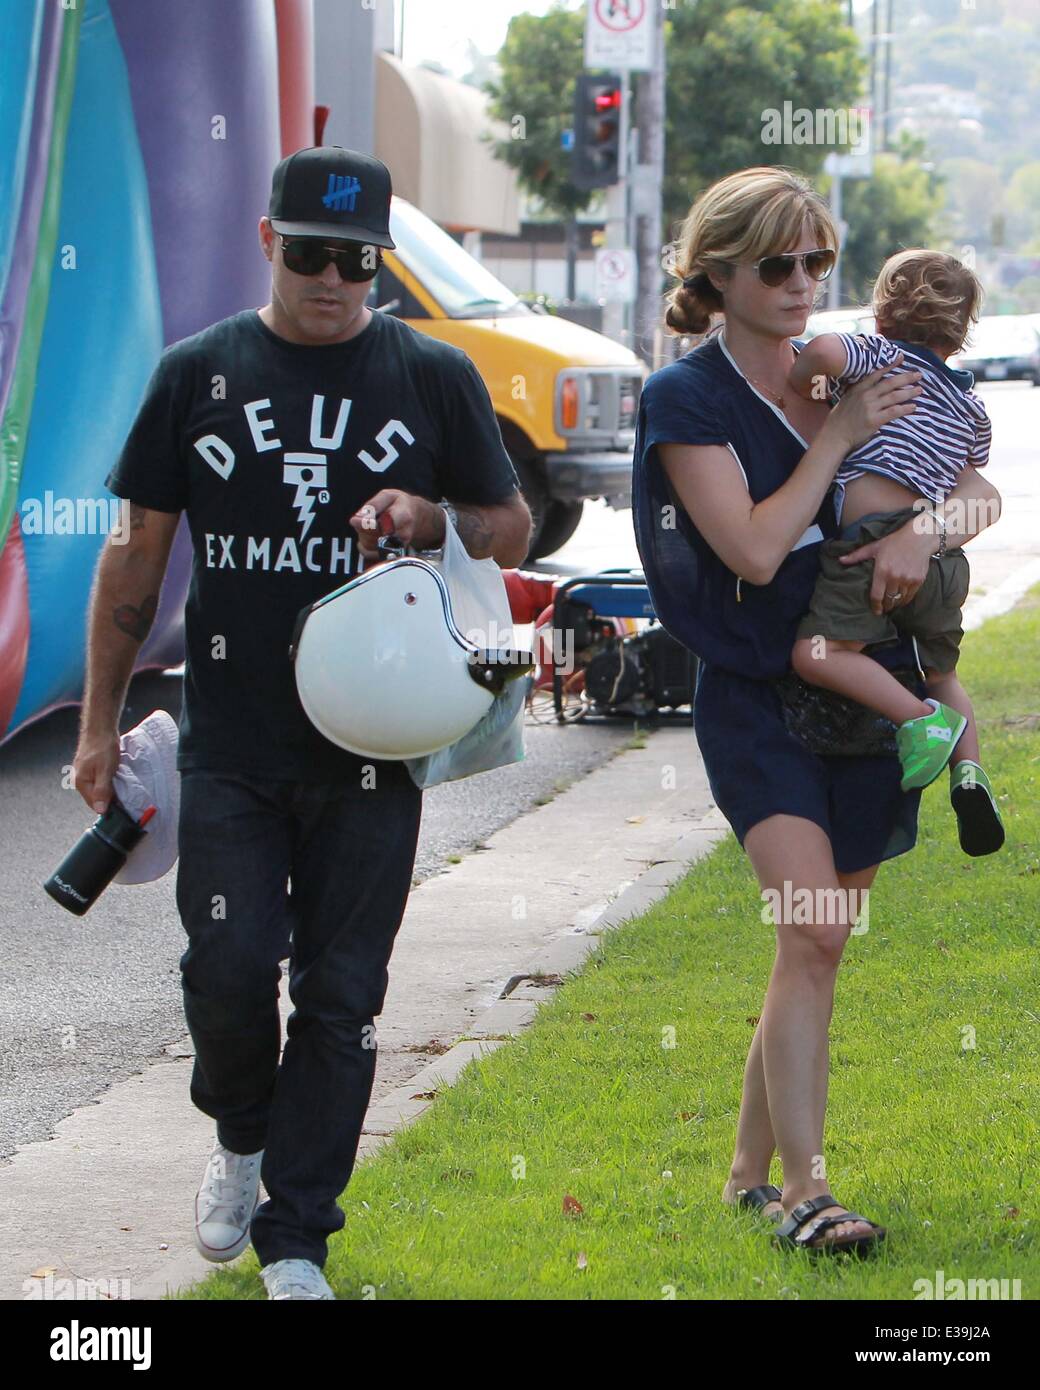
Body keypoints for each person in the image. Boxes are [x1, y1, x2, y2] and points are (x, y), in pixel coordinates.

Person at [73, 146, 531, 1299]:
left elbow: (510, 525)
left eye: (358, 261)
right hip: (227, 737)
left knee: (342, 995)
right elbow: (135, 554)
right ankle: (239, 1134)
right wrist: (96, 723)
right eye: (313, 254)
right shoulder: (199, 373)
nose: (334, 279)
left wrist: (431, 515)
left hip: (375, 746)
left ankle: (297, 1240)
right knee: (227, 966)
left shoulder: (430, 374)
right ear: (269, 243)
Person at [631, 167, 1001, 1254]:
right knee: (809, 929)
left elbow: (979, 485)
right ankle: (806, 1190)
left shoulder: (861, 365)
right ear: (717, 272)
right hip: (759, 690)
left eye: (815, 263)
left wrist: (918, 533)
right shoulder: (686, 398)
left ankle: (747, 1173)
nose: (801, 286)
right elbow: (747, 546)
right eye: (775, 266)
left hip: (866, 682)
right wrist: (835, 438)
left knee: (819, 945)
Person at [787, 249, 1004, 856]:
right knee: (944, 672)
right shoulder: (969, 404)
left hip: (868, 544)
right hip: (940, 562)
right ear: (960, 331)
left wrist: (803, 381)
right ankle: (970, 772)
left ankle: (919, 720)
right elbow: (974, 468)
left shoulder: (882, 359)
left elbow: (826, 353)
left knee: (817, 654)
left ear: (882, 311)